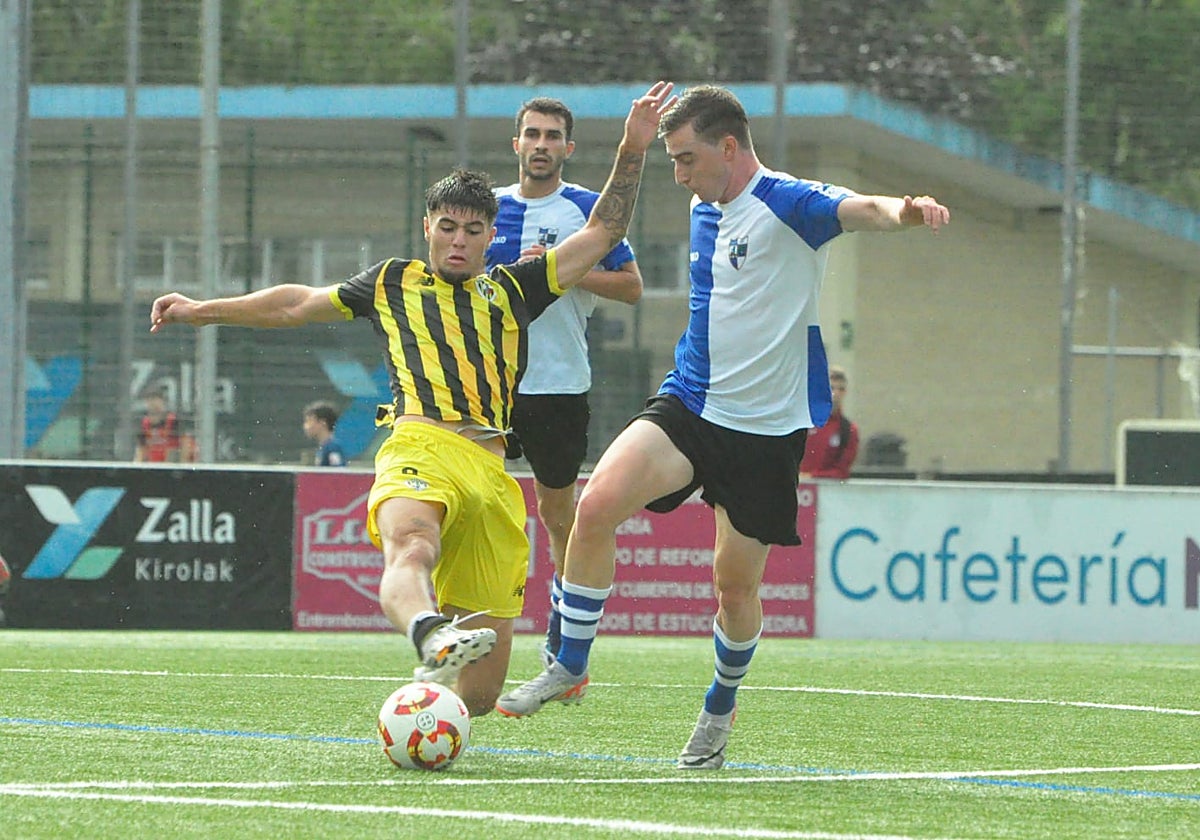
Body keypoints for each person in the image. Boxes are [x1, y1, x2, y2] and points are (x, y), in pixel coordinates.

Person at [148, 81, 676, 717]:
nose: (458, 240)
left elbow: (605, 230)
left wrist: (634, 145)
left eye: (472, 230)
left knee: (479, 700)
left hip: (490, 467)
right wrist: (202, 310)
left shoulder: (518, 287)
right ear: (427, 227)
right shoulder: (391, 282)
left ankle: (447, 675)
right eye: (447, 227)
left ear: (490, 237)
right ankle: (428, 632)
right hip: (419, 443)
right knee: (412, 546)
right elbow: (295, 302)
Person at [496, 84, 949, 768]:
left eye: (686, 159)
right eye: (672, 162)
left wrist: (906, 212)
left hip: (766, 431)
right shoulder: (704, 204)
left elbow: (862, 210)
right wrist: (635, 146)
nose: (679, 176)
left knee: (734, 589)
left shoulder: (791, 201)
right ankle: (569, 665)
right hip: (691, 402)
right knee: (593, 509)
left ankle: (719, 704)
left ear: (729, 148)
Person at [485, 97, 644, 670]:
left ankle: (562, 639)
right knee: (472, 504)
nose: (542, 144)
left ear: (568, 149)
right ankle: (464, 626)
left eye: (553, 136)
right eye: (532, 134)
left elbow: (631, 286)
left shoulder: (585, 209)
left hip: (558, 387)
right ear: (517, 144)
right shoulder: (485, 208)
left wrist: (565, 268)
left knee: (559, 517)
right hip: (487, 387)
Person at [798, 365, 859, 479]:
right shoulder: (804, 422)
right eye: (831, 388)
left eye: (841, 389)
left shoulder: (848, 430)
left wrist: (811, 476)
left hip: (826, 492)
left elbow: (841, 471)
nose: (836, 393)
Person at [134, 386, 196, 463]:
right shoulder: (144, 424)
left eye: (155, 399)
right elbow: (140, 450)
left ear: (163, 401)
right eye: (149, 400)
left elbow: (185, 445)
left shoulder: (173, 421)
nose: (152, 404)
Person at [302, 400, 347, 466]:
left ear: (323, 423)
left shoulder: (332, 448)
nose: (306, 426)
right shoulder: (323, 447)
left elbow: (338, 473)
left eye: (309, 421)